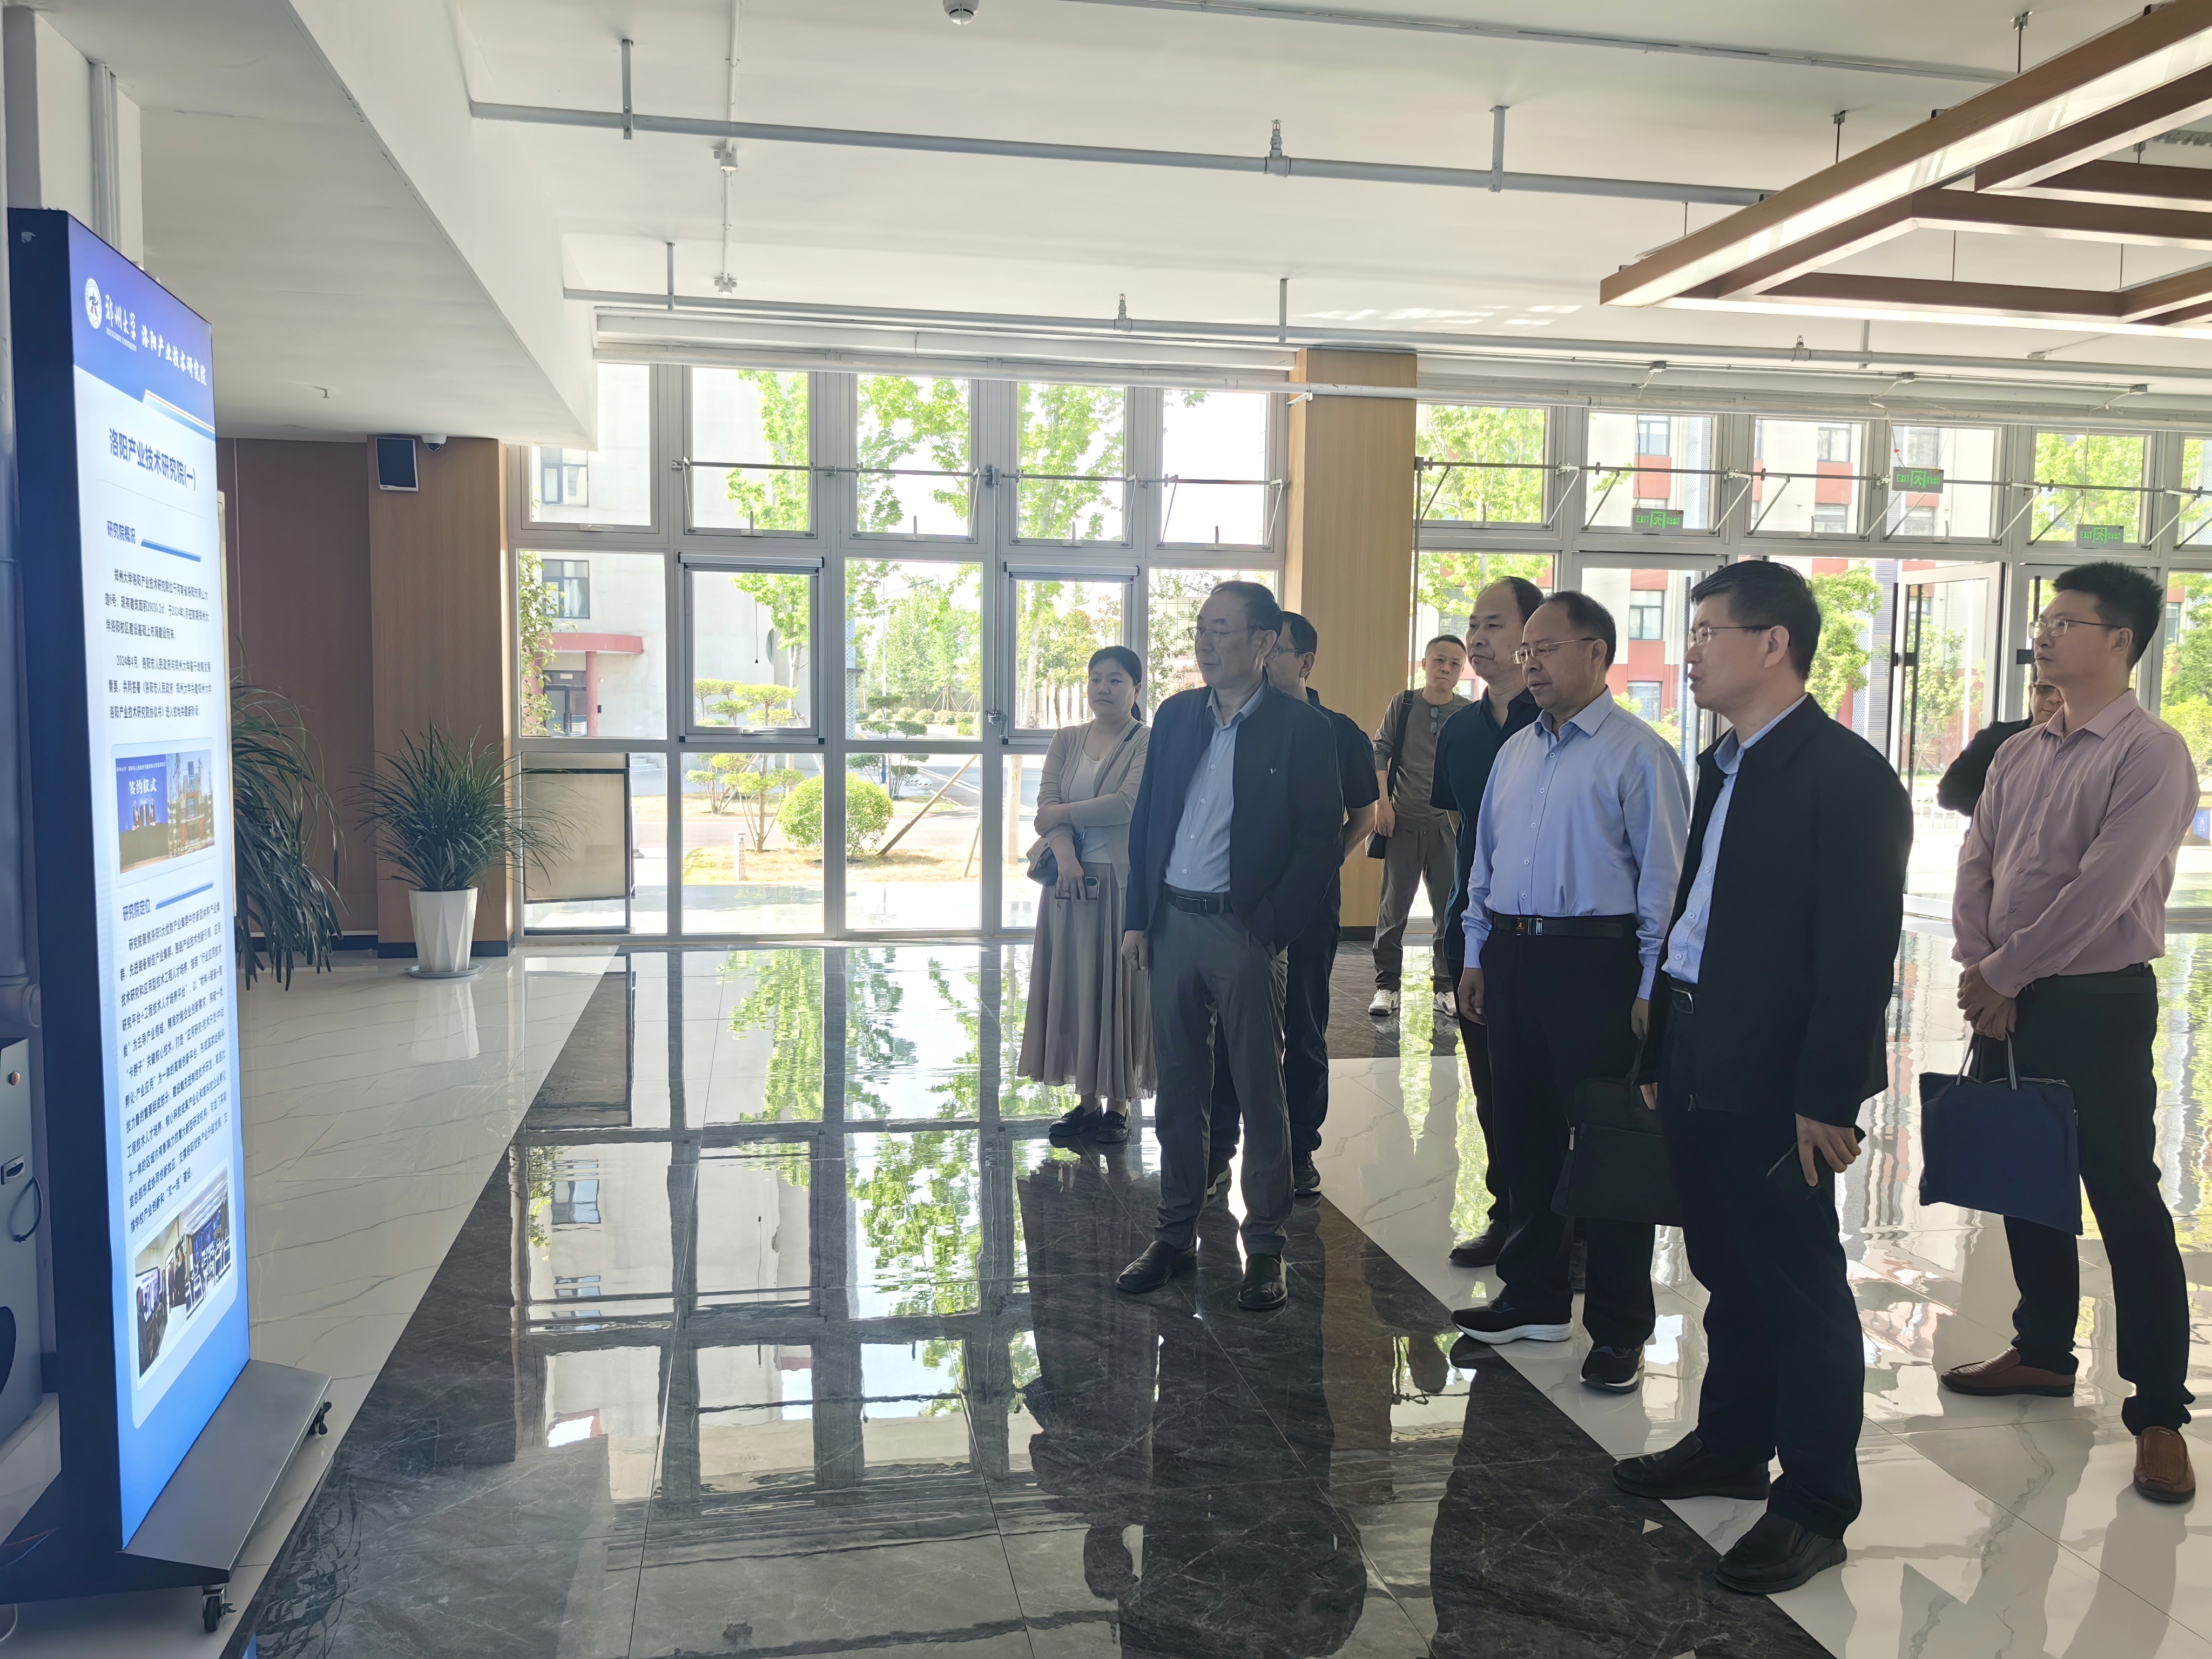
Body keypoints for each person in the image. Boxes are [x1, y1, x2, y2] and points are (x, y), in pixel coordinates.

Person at [1609, 562, 1910, 1597]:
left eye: (1706, 632)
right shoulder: (1727, 761)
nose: (1689, 651)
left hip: (1780, 1074)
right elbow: (1694, 918)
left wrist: (1827, 1096)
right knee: (1727, 1266)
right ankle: (1732, 1445)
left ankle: (1816, 1502)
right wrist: (1661, 1051)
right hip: (1700, 1047)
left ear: (1773, 643)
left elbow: (1857, 954)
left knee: (1796, 1284)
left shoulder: (1846, 776)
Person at [1944, 561, 2200, 1504]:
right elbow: (1977, 859)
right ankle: (2044, 1349)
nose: (2044, 635)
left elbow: (2105, 890)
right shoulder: (2020, 752)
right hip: (2008, 994)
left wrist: (2005, 973)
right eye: (2043, 621)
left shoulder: (2151, 753)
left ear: (2120, 641)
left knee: (2124, 1196)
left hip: (2095, 1002)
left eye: (2066, 622)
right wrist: (1984, 965)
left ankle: (2160, 1410)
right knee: (2026, 1176)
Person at [1449, 592, 1688, 1393]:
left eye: (1546, 649)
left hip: (1598, 965)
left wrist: (1652, 989)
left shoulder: (1639, 755)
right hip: (1513, 957)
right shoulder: (1516, 752)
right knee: (1524, 1136)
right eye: (1527, 651)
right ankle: (1536, 1297)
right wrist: (1477, 954)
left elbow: (1664, 887)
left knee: (1610, 1148)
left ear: (1597, 653)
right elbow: (1482, 865)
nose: (1531, 663)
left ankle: (1619, 1328)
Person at [1116, 582, 1343, 1313]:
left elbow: (1319, 841)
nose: (1205, 643)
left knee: (1258, 1089)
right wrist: (1139, 917)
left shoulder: (1301, 729)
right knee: (1179, 1088)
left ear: (1264, 642)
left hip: (1243, 930)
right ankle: (1174, 1234)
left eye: (1221, 630)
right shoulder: (1178, 716)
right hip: (1173, 924)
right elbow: (1149, 821)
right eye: (1200, 629)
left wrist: (1269, 929)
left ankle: (1266, 1245)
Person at [1206, 611, 1380, 1197]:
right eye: (1257, 646)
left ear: (1304, 662)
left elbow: (1364, 815)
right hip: (1239, 901)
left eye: (1273, 650)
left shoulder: (1338, 732)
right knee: (1229, 1024)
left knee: (1304, 1024)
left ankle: (1300, 1148)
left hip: (1308, 904)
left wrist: (1320, 868)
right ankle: (1218, 1149)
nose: (1261, 659)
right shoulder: (1236, 723)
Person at [1432, 577, 1545, 1268]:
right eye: (1473, 624)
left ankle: (1565, 1229)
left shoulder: (1557, 720)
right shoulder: (1461, 731)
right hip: (1475, 931)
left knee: (1549, 1095)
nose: (1476, 638)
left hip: (1554, 940)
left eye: (1493, 624)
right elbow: (1461, 826)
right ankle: (1508, 1214)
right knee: (1492, 1090)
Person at [1019, 645, 1154, 1147]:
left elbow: (1127, 805)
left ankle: (1118, 1106)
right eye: (1096, 679)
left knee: (1119, 989)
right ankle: (1087, 1102)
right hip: (1068, 881)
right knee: (1075, 986)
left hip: (1121, 884)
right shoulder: (1068, 738)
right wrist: (1066, 855)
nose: (1103, 688)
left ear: (1136, 688)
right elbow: (1046, 801)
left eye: (1116, 680)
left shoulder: (1146, 741)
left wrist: (1060, 816)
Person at [1368, 635, 1473, 1018]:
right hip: (1402, 821)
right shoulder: (1405, 703)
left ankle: (1445, 987)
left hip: (1449, 828)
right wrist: (1382, 804)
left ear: (1462, 671)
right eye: (1439, 661)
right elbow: (1380, 750)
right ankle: (1387, 986)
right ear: (1425, 664)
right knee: (1393, 908)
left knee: (1449, 910)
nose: (1446, 669)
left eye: (1455, 664)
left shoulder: (1468, 713)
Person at [1937, 679, 2064, 815]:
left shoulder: (2081, 751)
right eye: (2045, 688)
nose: (2054, 699)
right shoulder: (1993, 739)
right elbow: (1948, 795)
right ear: (2031, 691)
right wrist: (1999, 812)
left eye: (2065, 690)